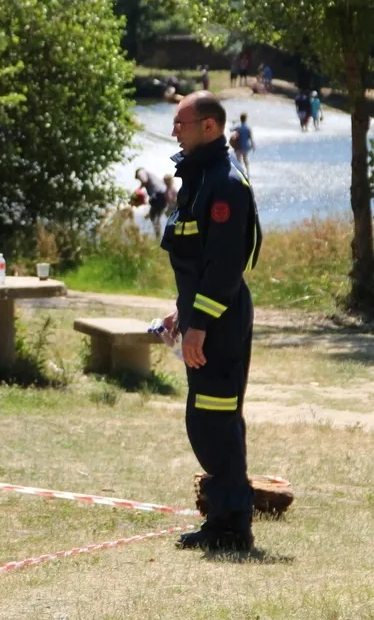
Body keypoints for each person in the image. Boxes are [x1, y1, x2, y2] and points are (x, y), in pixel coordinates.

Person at [162, 91, 263, 552]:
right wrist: (182, 312)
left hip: (220, 321)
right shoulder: (200, 179)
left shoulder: (224, 183)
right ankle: (220, 517)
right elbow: (196, 260)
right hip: (204, 316)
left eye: (181, 123)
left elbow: (224, 267)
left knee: (217, 422)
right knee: (205, 420)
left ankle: (232, 527)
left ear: (210, 127)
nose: (173, 131)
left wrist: (199, 324)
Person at [134, 167, 168, 239]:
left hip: (158, 196)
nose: (139, 179)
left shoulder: (141, 172)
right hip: (163, 195)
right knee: (156, 216)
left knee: (153, 216)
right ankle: (160, 236)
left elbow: (144, 180)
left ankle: (158, 236)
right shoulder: (150, 174)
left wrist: (138, 190)